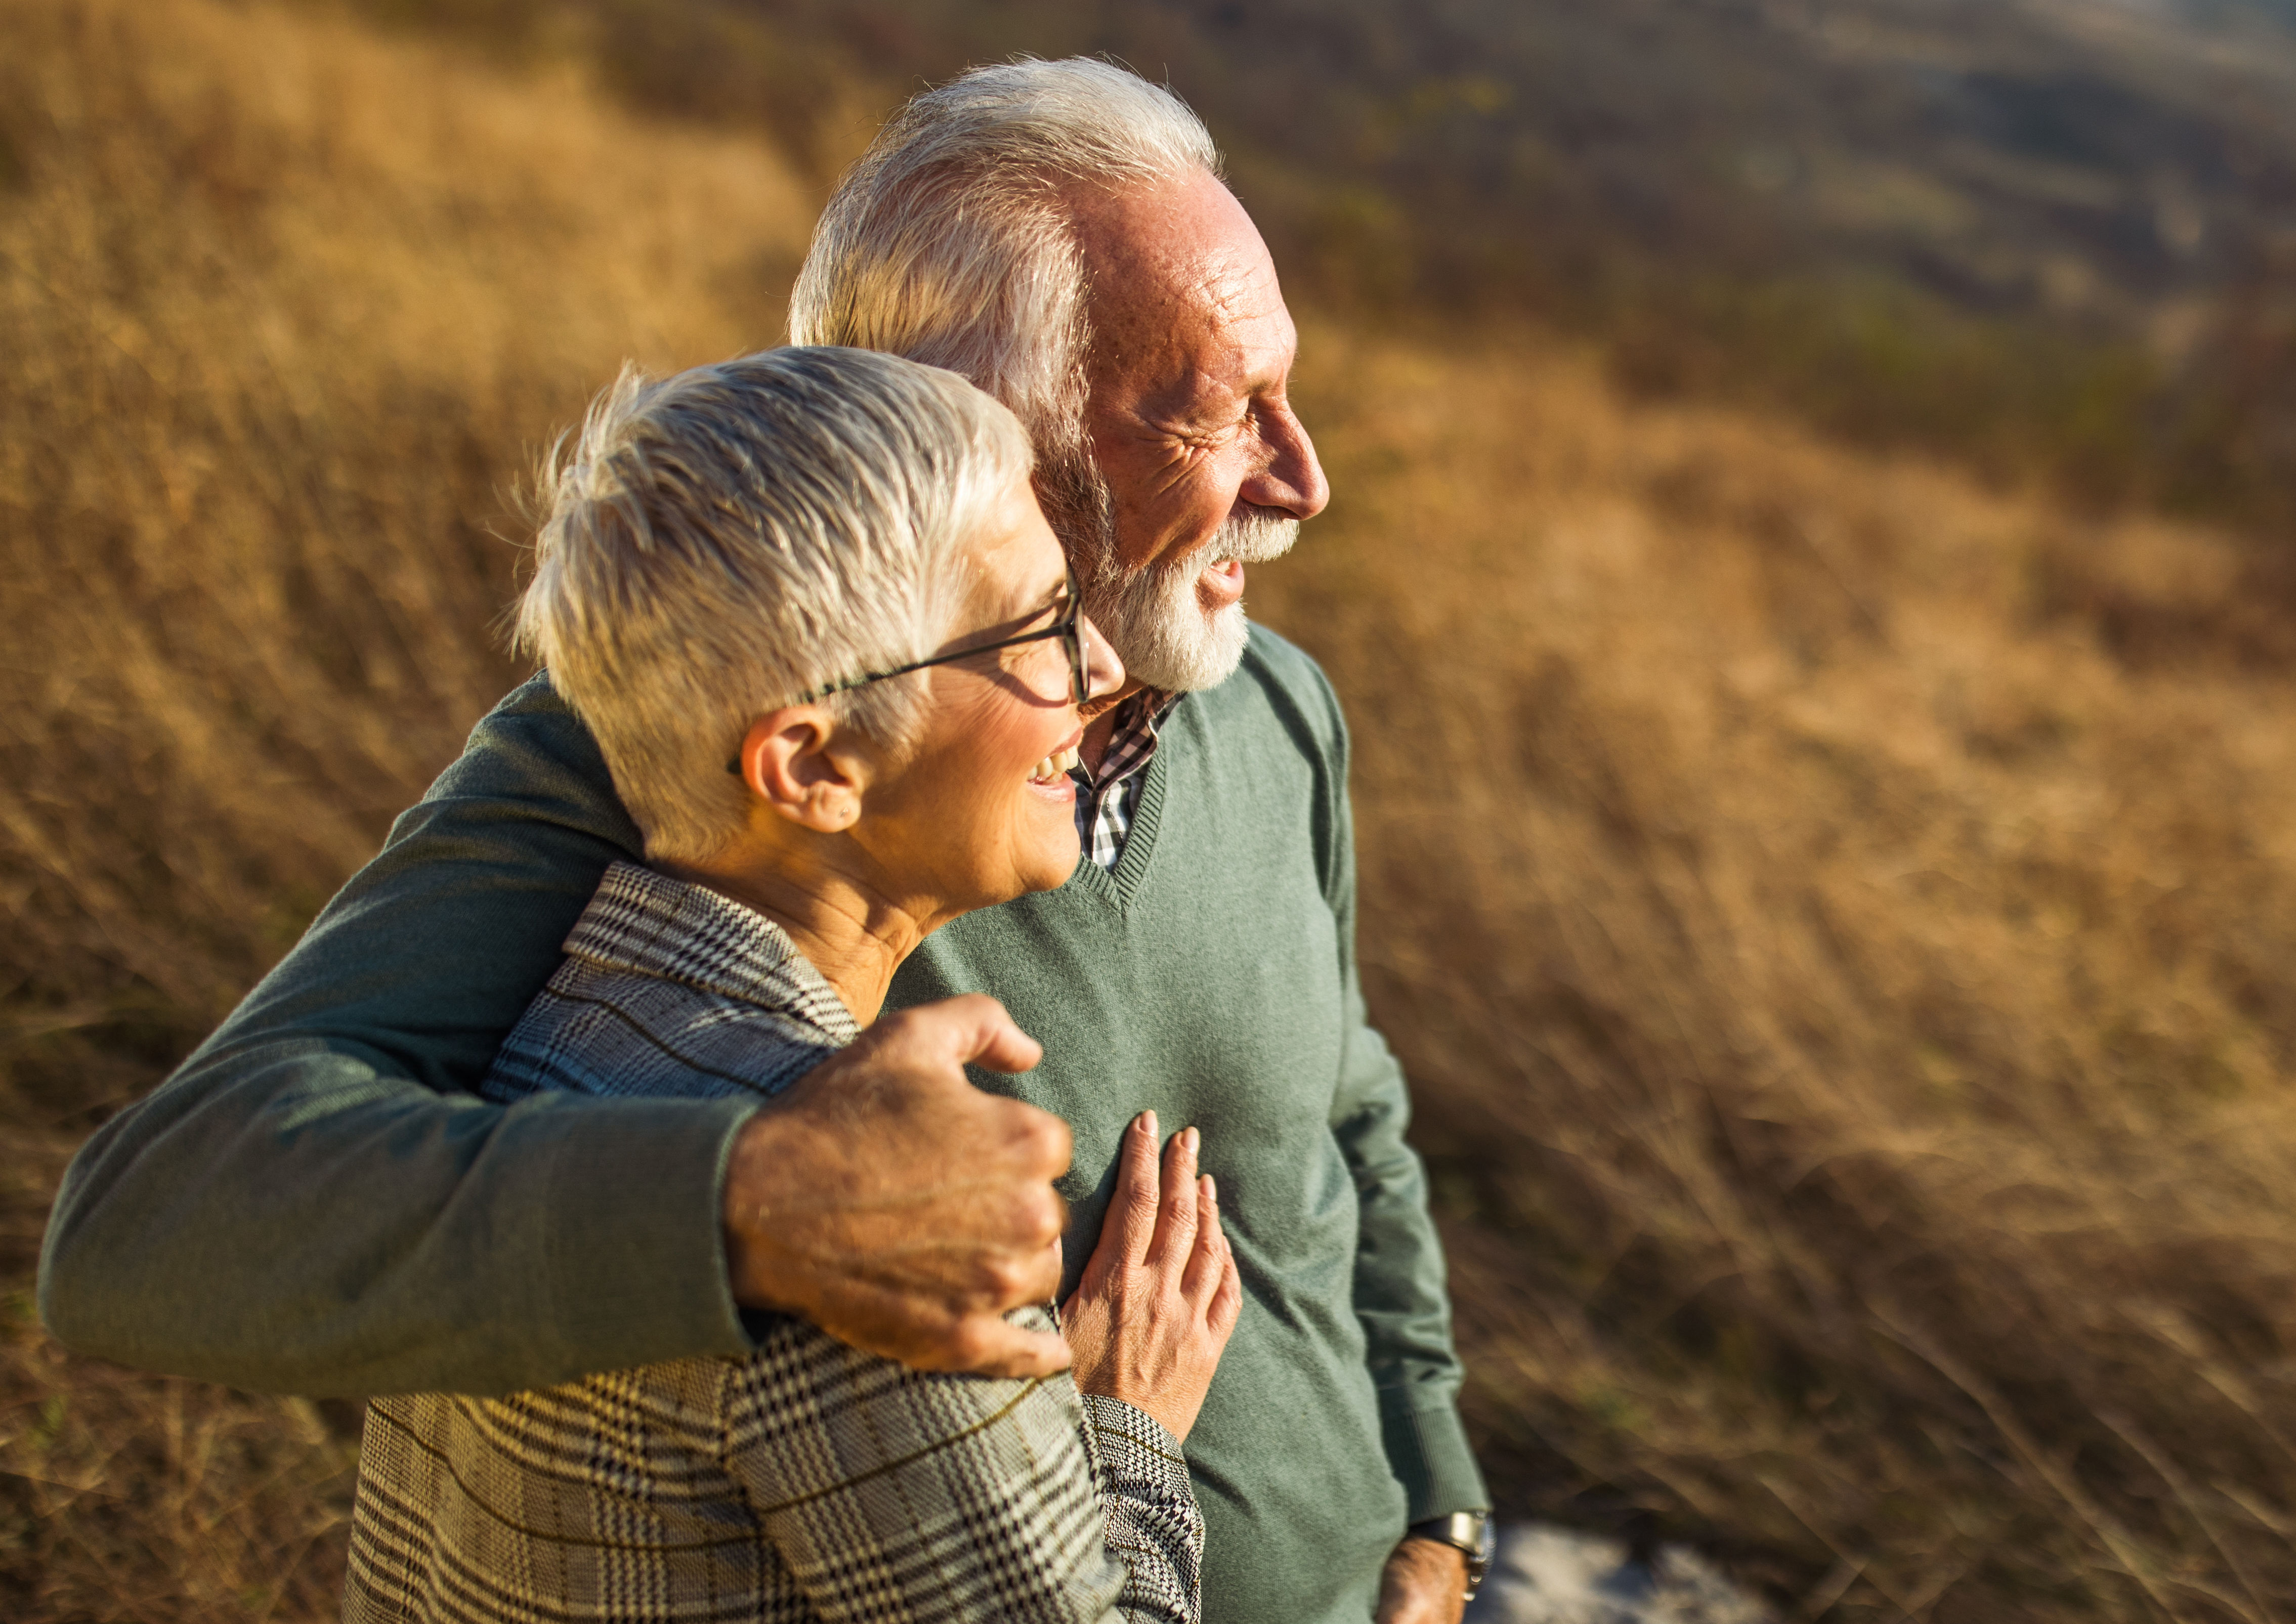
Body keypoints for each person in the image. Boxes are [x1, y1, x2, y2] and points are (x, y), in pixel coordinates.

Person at [41, 56, 1491, 1624]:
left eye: (1289, 395)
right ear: (969, 425)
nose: (1305, 481)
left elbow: (1347, 1119)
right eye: (1218, 411)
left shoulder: (1278, 706)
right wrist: (751, 1199)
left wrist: (1437, 1513)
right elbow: (154, 1228)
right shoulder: (669, 757)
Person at [349, 346, 1235, 1622]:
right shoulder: (873, 1231)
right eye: (1037, 626)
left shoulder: (522, 1035)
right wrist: (1126, 1428)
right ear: (814, 766)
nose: (1100, 674)